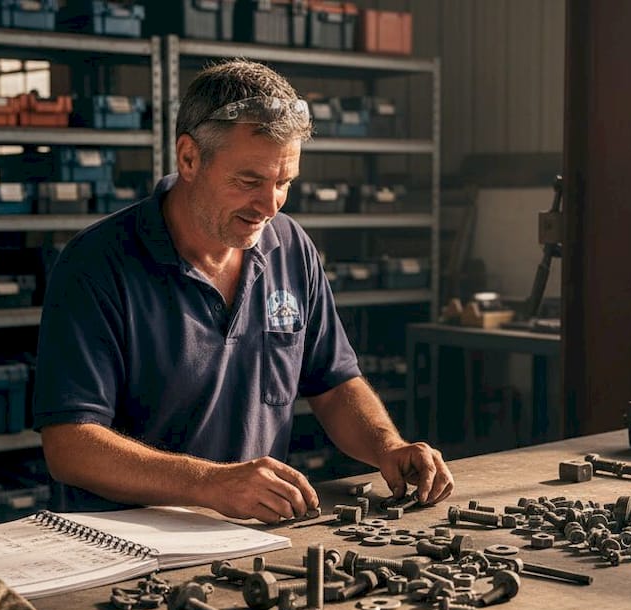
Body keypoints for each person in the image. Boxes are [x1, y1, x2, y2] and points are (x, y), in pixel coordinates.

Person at [33, 59, 454, 524]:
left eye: (284, 183)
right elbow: (69, 444)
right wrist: (209, 483)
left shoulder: (290, 247)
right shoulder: (96, 263)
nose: (270, 205)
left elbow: (334, 385)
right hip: (125, 542)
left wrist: (387, 446)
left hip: (253, 533)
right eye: (249, 181)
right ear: (189, 158)